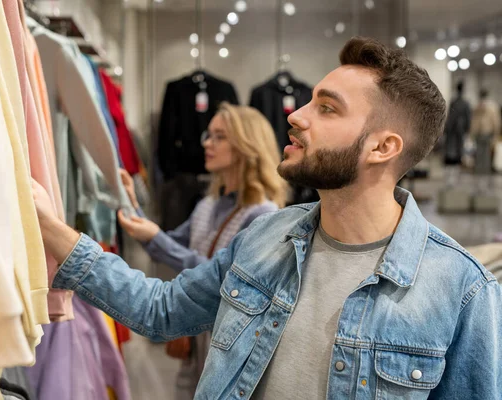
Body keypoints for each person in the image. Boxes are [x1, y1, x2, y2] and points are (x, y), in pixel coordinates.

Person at [32, 37, 502, 399]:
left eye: (326, 108)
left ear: (383, 147)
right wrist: (52, 228)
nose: (295, 116)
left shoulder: (461, 290)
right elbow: (164, 310)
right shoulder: (267, 234)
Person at [116, 102, 287, 398]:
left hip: (228, 342)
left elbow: (221, 276)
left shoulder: (262, 214)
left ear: (246, 145)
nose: (207, 143)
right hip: (198, 337)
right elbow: (169, 243)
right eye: (208, 135)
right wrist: (132, 204)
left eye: (219, 136)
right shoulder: (208, 204)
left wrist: (155, 236)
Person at [470, 89, 501, 193]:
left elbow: (495, 121)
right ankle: (479, 183)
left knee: (486, 160)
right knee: (479, 159)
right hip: (480, 136)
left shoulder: (491, 106)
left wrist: (495, 135)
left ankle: (485, 183)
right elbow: (474, 121)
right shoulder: (477, 107)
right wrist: (473, 134)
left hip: (487, 135)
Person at [443, 81, 471, 186]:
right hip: (457, 132)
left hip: (455, 132)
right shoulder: (463, 103)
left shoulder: (455, 102)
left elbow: (450, 117)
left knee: (453, 154)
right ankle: (453, 179)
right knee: (455, 154)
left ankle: (452, 179)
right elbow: (468, 119)